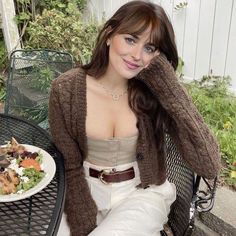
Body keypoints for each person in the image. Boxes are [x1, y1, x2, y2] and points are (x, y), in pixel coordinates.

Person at [49, 1, 221, 235]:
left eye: (150, 48)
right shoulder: (65, 89)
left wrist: (168, 85)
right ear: (109, 35)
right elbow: (69, 162)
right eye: (130, 39)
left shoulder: (156, 93)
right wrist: (82, 216)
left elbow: (209, 165)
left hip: (142, 194)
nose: (137, 56)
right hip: (84, 190)